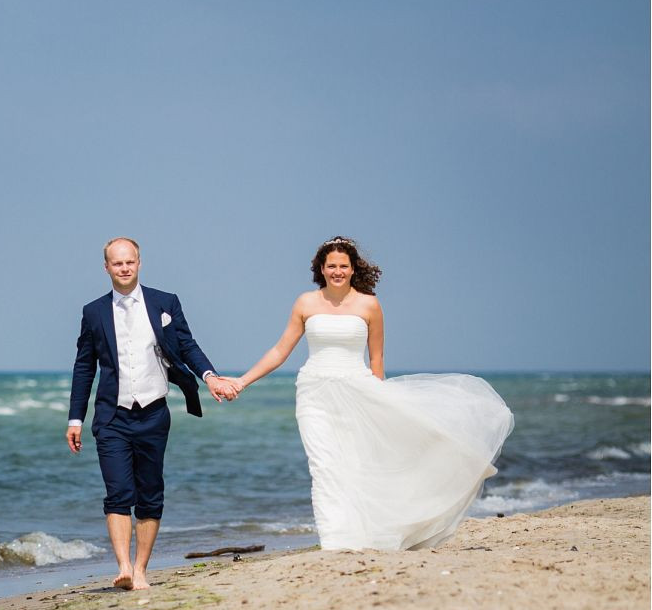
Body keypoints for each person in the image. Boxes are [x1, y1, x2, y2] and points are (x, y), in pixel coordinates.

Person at [224, 236, 513, 551]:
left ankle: (365, 534)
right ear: (321, 269)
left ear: (352, 269)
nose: (337, 271)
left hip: (358, 390)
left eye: (343, 266)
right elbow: (280, 350)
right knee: (323, 465)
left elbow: (376, 359)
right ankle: (334, 542)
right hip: (314, 393)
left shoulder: (369, 304)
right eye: (331, 266)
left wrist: (385, 404)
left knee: (358, 463)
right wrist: (242, 381)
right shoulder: (306, 302)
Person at [67, 237, 237, 590]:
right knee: (117, 493)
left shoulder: (164, 302)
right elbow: (84, 367)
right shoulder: (93, 312)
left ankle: (141, 569)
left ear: (139, 262)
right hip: (112, 416)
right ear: (107, 268)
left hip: (153, 414)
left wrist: (210, 377)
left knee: (150, 492)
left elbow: (187, 345)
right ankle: (124, 567)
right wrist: (75, 418)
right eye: (117, 263)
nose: (124, 268)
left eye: (130, 262)